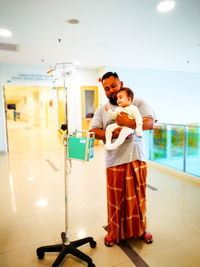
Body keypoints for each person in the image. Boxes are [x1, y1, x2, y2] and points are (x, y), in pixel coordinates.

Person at [89, 72, 156, 246]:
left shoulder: (138, 103)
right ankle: (113, 233)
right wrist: (112, 133)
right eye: (106, 88)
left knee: (139, 198)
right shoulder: (103, 110)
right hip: (114, 160)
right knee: (115, 200)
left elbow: (150, 122)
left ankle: (141, 230)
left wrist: (128, 123)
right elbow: (92, 131)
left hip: (137, 158)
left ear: (121, 84)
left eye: (113, 86)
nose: (111, 91)